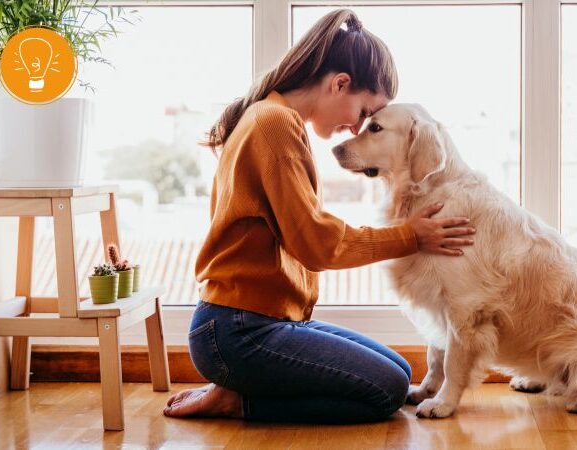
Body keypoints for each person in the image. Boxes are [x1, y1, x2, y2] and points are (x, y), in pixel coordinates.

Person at [163, 9, 475, 423]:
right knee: (386, 391)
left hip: (260, 322)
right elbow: (317, 244)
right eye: (364, 112)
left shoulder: (274, 117)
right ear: (340, 83)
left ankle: (241, 386)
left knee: (400, 372)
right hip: (236, 331)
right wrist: (411, 236)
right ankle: (239, 400)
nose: (356, 128)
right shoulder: (274, 124)